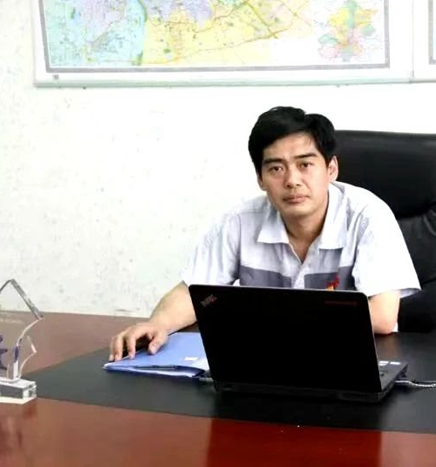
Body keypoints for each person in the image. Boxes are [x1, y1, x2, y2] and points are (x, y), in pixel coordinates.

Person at [109, 106, 420, 361]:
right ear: (260, 178)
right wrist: (157, 324)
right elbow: (192, 291)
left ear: (331, 169)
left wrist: (274, 319)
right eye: (276, 169)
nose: (292, 180)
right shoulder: (239, 222)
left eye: (305, 165)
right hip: (267, 361)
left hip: (354, 359)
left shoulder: (368, 216)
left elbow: (382, 316)